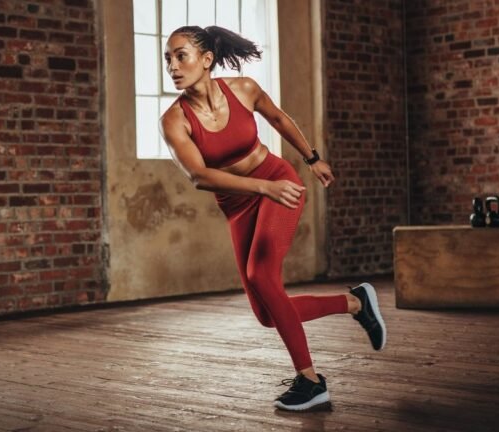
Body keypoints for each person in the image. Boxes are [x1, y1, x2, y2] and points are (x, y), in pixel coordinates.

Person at [159, 25, 386, 412]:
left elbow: (278, 120)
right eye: (168, 59)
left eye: (181, 56)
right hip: (240, 203)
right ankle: (355, 303)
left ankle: (310, 381)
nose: (173, 67)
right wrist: (261, 189)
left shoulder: (243, 89)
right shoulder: (174, 120)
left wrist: (312, 159)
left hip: (279, 182)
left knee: (261, 275)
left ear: (207, 59)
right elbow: (200, 176)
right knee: (267, 314)